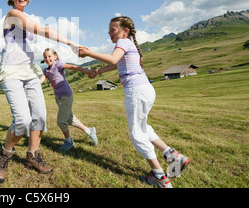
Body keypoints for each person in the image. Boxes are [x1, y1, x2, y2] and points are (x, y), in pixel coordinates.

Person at [79, 16, 190, 188]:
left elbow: (113, 59)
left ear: (125, 31)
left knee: (137, 134)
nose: (109, 33)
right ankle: (173, 156)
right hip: (144, 90)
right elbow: (117, 64)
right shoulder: (128, 44)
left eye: (112, 30)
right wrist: (98, 71)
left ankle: (160, 178)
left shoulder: (122, 42)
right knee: (144, 128)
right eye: (109, 30)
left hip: (136, 92)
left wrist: (88, 53)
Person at [0, 0, 82, 183]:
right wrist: (70, 42)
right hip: (11, 72)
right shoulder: (12, 15)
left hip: (29, 71)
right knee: (22, 120)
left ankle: (33, 155)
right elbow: (42, 29)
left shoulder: (28, 18)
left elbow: (42, 29)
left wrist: (61, 38)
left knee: (40, 116)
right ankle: (5, 154)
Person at [39, 48, 98, 151]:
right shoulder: (46, 71)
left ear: (55, 57)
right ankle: (89, 131)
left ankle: (68, 141)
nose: (47, 58)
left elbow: (72, 67)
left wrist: (87, 71)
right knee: (70, 119)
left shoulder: (58, 65)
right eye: (45, 57)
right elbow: (40, 81)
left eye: (49, 56)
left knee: (61, 121)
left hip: (66, 96)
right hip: (58, 98)